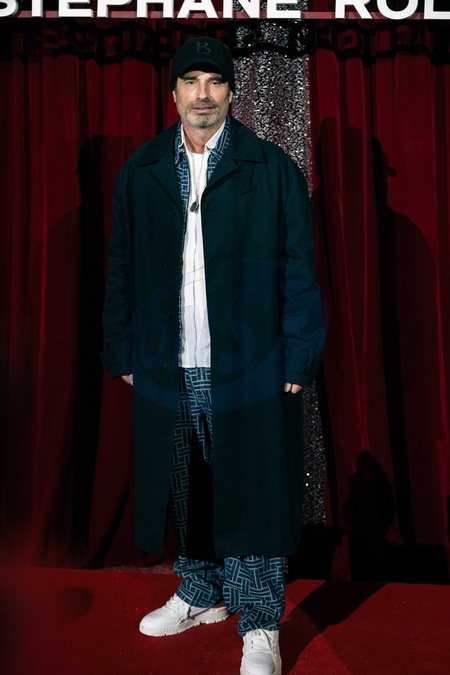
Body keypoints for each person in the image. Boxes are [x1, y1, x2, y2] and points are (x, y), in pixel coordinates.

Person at [101, 36, 326, 675]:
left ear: (231, 91)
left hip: (249, 363)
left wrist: (298, 356)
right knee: (186, 482)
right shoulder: (144, 169)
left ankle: (259, 621)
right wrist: (122, 346)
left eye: (215, 81)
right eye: (190, 81)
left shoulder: (270, 167)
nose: (202, 95)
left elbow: (299, 270)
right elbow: (121, 266)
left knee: (252, 488)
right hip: (168, 361)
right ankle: (201, 589)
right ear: (173, 92)